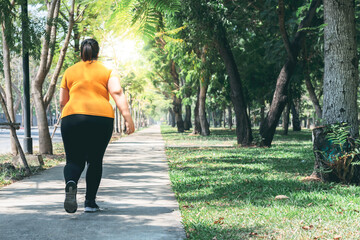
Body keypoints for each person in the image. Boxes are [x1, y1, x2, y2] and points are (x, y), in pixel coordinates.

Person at [59, 38, 135, 213]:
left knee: (73, 160)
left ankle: (71, 183)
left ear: (80, 52)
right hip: (101, 119)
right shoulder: (108, 71)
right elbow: (117, 92)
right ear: (98, 53)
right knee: (95, 160)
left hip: (72, 117)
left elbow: (63, 101)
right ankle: (90, 203)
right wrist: (128, 118)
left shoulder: (69, 71)